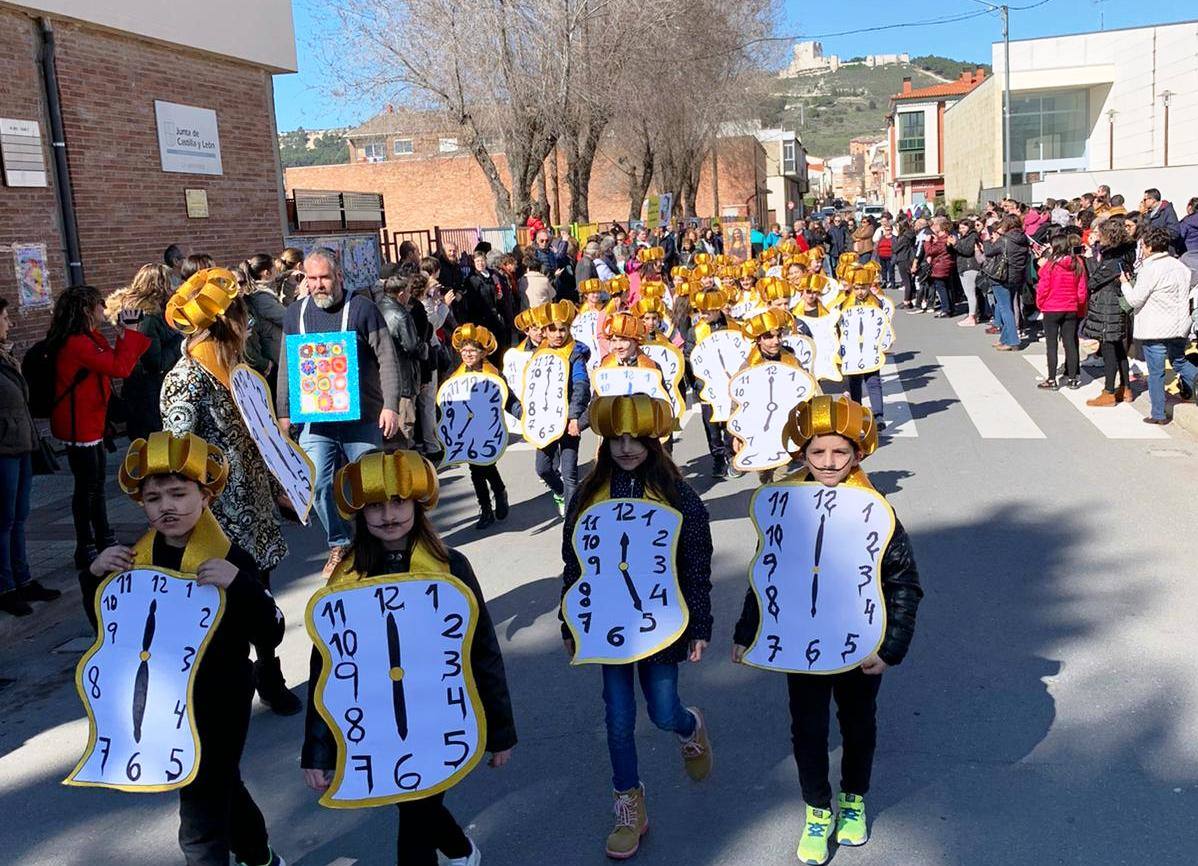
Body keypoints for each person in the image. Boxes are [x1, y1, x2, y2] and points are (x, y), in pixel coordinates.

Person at [302, 449, 516, 866]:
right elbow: (326, 669)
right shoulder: (349, 576)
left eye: (398, 501)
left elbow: (482, 651)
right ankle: (460, 849)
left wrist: (500, 729)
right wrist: (318, 749)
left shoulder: (451, 567)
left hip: (438, 719)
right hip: (380, 723)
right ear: (359, 513)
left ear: (418, 502)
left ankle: (455, 852)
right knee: (414, 805)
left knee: (415, 819)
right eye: (376, 505)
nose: (388, 515)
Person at [733, 396, 922, 866]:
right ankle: (818, 808)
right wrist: (747, 632)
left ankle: (854, 798)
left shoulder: (878, 512)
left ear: (858, 454)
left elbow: (904, 583)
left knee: (858, 726)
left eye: (839, 453)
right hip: (800, 643)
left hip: (860, 646)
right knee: (808, 729)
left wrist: (892, 648)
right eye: (818, 453)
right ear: (802, 454)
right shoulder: (783, 507)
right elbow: (766, 573)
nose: (829, 462)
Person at [86, 431, 286, 866]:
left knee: (199, 817)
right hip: (162, 701)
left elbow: (271, 632)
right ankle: (260, 855)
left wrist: (240, 586)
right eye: (154, 497)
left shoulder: (232, 559)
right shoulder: (133, 560)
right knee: (221, 786)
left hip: (221, 699)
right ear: (141, 503)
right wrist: (95, 577)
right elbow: (108, 633)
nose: (167, 506)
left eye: (179, 493)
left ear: (206, 497)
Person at [561, 394, 713, 860]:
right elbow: (574, 563)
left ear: (654, 441)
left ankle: (689, 728)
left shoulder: (677, 495)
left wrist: (700, 623)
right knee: (618, 720)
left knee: (663, 711)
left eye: (636, 439)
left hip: (663, 624)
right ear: (604, 442)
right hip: (607, 627)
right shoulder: (588, 495)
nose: (626, 448)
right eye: (617, 439)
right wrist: (568, 619)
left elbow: (695, 560)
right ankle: (629, 806)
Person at [159, 268, 299, 715]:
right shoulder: (186, 379)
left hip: (253, 506)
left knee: (261, 597)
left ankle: (270, 673)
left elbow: (261, 439)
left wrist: (284, 483)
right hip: (217, 519)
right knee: (227, 605)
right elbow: (178, 458)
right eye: (244, 318)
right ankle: (233, 681)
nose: (250, 328)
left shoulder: (238, 369)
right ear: (227, 322)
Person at [276, 248, 402, 576]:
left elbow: (387, 357)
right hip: (316, 421)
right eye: (311, 278)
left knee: (368, 484)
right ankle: (340, 542)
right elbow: (287, 367)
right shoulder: (295, 314)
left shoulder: (362, 310)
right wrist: (284, 411)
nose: (318, 284)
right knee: (316, 482)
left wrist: (390, 405)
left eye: (324, 277)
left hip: (362, 418)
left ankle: (375, 542)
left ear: (339, 277)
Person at [48, 284, 150, 570]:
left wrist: (126, 335)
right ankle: (87, 545)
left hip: (90, 421)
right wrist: (129, 333)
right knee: (88, 488)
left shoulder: (88, 337)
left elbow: (118, 361)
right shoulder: (76, 342)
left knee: (94, 487)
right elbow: (119, 368)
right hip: (79, 424)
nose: (104, 310)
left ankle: (103, 538)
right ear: (86, 310)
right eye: (99, 305)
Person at [0, 298, 60, 616]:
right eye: (5, 317)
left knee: (19, 518)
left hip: (20, 446)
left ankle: (23, 579)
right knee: (4, 521)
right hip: (4, 451)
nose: (9, 323)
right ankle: (6, 586)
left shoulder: (6, 358)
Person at [1120, 227, 1198, 424]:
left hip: (1155, 327)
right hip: (1180, 325)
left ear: (1149, 246)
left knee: (1156, 373)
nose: (1142, 250)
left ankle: (1158, 414)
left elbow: (1135, 300)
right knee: (1179, 360)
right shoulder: (1181, 266)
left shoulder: (1150, 269)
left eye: (1143, 246)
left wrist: (1125, 284)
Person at [448, 324, 519, 530]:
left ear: (483, 352)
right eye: (464, 350)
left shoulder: (493, 374)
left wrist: (522, 415)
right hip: (467, 430)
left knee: (486, 465)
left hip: (488, 428)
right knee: (475, 470)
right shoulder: (456, 377)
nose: (468, 354)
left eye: (473, 350)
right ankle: (486, 508)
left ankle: (499, 492)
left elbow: (508, 398)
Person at [103, 263, 183, 440]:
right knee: (155, 450)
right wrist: (179, 340)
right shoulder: (147, 318)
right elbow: (155, 363)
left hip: (141, 392)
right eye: (172, 283)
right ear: (160, 287)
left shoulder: (142, 314)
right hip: (149, 396)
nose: (176, 288)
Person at [528, 301, 591, 515]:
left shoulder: (576, 353)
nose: (557, 334)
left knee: (570, 472)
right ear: (544, 331)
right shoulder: (539, 353)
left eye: (562, 329)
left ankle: (571, 520)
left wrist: (575, 417)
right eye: (552, 330)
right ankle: (560, 492)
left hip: (568, 421)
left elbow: (581, 386)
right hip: (546, 420)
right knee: (543, 468)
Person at [1084, 218, 1136, 406]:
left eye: (1101, 234)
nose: (1098, 237)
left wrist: (1090, 258)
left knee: (1109, 350)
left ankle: (1109, 392)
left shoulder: (1112, 261)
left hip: (1108, 308)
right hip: (1118, 307)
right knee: (1120, 350)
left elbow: (1093, 281)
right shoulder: (1127, 253)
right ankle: (1126, 388)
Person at [1035, 234, 1089, 390]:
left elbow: (1043, 287)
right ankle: (1073, 378)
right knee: (1070, 343)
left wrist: (1040, 303)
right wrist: (1077, 304)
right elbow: (1082, 289)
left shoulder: (1051, 265)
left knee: (1052, 345)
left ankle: (1052, 379)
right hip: (1070, 307)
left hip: (1052, 307)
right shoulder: (1077, 262)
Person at [241, 254, 287, 395]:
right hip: (273, 356)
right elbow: (287, 318)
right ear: (267, 273)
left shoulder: (266, 293)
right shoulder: (261, 297)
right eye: (274, 268)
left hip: (274, 353)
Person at [982, 215, 1029, 351]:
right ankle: (1005, 338)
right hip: (1017, 276)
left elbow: (989, 251)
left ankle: (1013, 341)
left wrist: (987, 241)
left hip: (1001, 276)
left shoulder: (1004, 240)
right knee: (1009, 307)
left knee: (1005, 308)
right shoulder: (1023, 239)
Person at [922, 217, 955, 318]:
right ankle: (949, 308)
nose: (933, 226)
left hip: (940, 266)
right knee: (947, 287)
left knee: (941, 288)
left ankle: (946, 309)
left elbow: (930, 251)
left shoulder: (943, 239)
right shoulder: (943, 238)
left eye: (936, 224)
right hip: (945, 264)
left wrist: (927, 242)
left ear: (941, 227)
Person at [952, 219, 983, 326]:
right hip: (964, 266)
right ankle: (973, 314)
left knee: (970, 293)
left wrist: (955, 244)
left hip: (970, 266)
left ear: (969, 227)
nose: (961, 230)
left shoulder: (972, 236)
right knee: (970, 293)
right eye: (960, 228)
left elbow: (967, 250)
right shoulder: (965, 237)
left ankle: (972, 317)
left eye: (963, 227)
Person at [891, 220, 916, 309]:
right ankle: (910, 299)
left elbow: (895, 248)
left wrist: (895, 239)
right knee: (909, 280)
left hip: (903, 258)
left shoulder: (904, 237)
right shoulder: (911, 235)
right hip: (909, 258)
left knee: (906, 281)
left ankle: (906, 301)